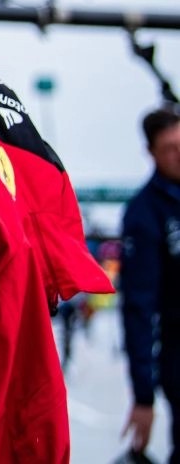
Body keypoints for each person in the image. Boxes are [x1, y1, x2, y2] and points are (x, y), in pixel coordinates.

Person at [121, 105, 180, 463]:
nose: (179, 155)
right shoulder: (144, 214)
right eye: (170, 148)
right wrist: (143, 395)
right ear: (152, 152)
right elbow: (138, 308)